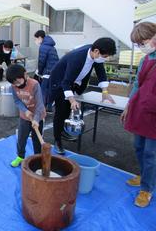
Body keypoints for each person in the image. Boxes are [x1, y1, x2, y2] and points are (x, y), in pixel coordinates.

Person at [48, 37, 116, 155]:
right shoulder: (78, 57)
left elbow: (101, 73)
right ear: (96, 51)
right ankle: (57, 140)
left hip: (75, 82)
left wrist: (105, 92)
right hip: (60, 82)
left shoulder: (96, 55)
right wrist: (72, 100)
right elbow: (66, 82)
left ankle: (63, 131)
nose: (105, 59)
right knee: (61, 112)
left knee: (67, 111)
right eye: (104, 56)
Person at [120, 22, 156, 208]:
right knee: (138, 146)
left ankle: (147, 189)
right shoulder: (146, 59)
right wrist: (128, 105)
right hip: (140, 109)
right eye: (139, 44)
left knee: (151, 152)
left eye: (145, 42)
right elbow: (136, 84)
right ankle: (144, 175)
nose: (143, 46)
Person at [6, 64, 46, 167]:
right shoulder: (13, 87)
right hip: (25, 116)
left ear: (25, 75)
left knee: (37, 139)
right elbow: (17, 101)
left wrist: (36, 119)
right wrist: (25, 110)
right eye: (14, 83)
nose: (17, 85)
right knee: (21, 138)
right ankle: (20, 157)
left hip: (38, 116)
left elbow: (40, 104)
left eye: (18, 81)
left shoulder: (34, 84)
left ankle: (38, 158)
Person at [34, 30, 59, 113]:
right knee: (50, 90)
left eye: (36, 39)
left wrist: (40, 72)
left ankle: (41, 110)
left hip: (47, 71)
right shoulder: (51, 46)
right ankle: (49, 108)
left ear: (40, 38)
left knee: (43, 91)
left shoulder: (43, 46)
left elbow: (41, 61)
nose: (36, 41)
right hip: (55, 71)